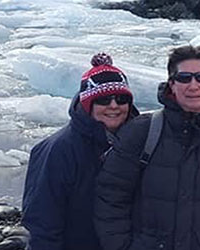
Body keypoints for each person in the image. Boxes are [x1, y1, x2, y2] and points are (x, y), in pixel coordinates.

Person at [95, 45, 200, 250]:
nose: (193, 85)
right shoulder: (142, 131)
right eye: (184, 77)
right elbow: (111, 197)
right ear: (172, 84)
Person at [22, 53, 139, 250]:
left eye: (121, 99)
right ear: (87, 103)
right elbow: (41, 221)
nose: (113, 106)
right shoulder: (58, 149)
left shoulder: (139, 142)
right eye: (103, 100)